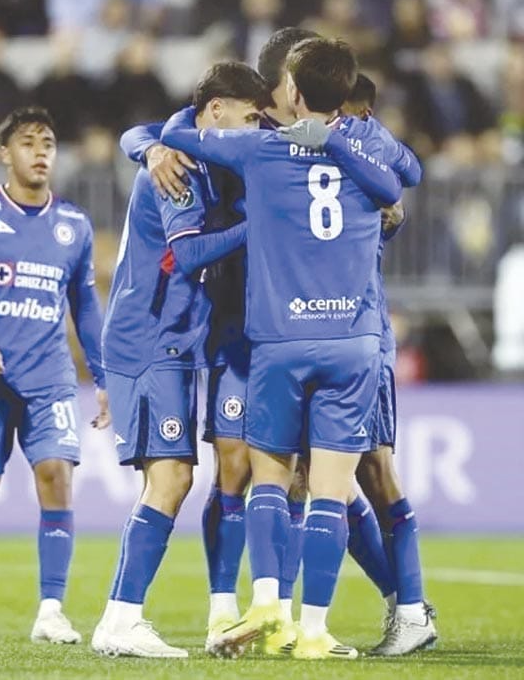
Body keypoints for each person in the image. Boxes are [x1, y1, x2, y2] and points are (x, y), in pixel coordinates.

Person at [162, 37, 405, 659]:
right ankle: (317, 631)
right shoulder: (364, 154)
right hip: (352, 343)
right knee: (329, 491)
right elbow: (403, 178)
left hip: (281, 340)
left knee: (269, 481)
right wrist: (343, 144)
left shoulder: (259, 149)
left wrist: (158, 142)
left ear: (291, 92)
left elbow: (180, 132)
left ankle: (268, 604)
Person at [91, 61, 269, 659]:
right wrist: (255, 226)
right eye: (248, 116)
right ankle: (120, 619)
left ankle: (123, 616)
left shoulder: (183, 152)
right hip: (148, 339)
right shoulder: (179, 167)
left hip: (172, 342)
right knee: (171, 477)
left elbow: (148, 133)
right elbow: (189, 254)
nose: (255, 128)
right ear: (216, 110)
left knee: (172, 478)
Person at [0, 106, 110, 646]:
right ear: (5, 153)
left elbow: (85, 306)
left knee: (58, 476)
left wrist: (103, 375)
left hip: (50, 375)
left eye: (50, 143)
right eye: (29, 143)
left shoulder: (75, 226)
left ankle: (51, 610)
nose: (41, 152)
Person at [342, 73, 438, 656]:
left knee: (373, 474)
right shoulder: (309, 142)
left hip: (360, 330)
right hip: (307, 331)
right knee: (321, 480)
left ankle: (409, 607)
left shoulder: (364, 146)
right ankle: (405, 603)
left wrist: (356, 142)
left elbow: (412, 169)